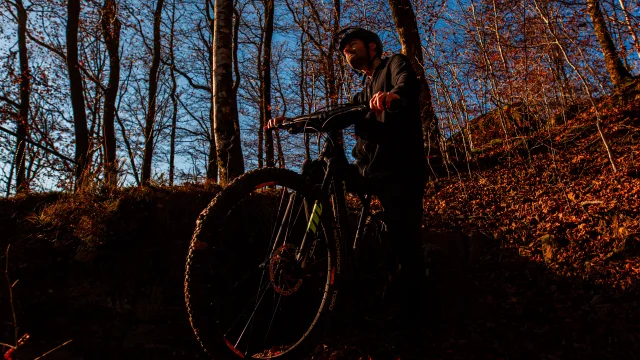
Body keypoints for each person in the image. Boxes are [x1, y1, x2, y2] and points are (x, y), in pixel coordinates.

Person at [267, 27, 426, 333]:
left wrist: (393, 95)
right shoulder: (361, 95)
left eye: (351, 46)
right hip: (368, 172)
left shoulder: (393, 64)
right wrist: (292, 123)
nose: (347, 53)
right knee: (318, 172)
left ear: (371, 46)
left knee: (406, 246)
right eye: (344, 51)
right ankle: (324, 256)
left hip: (400, 171)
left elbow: (408, 84)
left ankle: (416, 323)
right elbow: (334, 114)